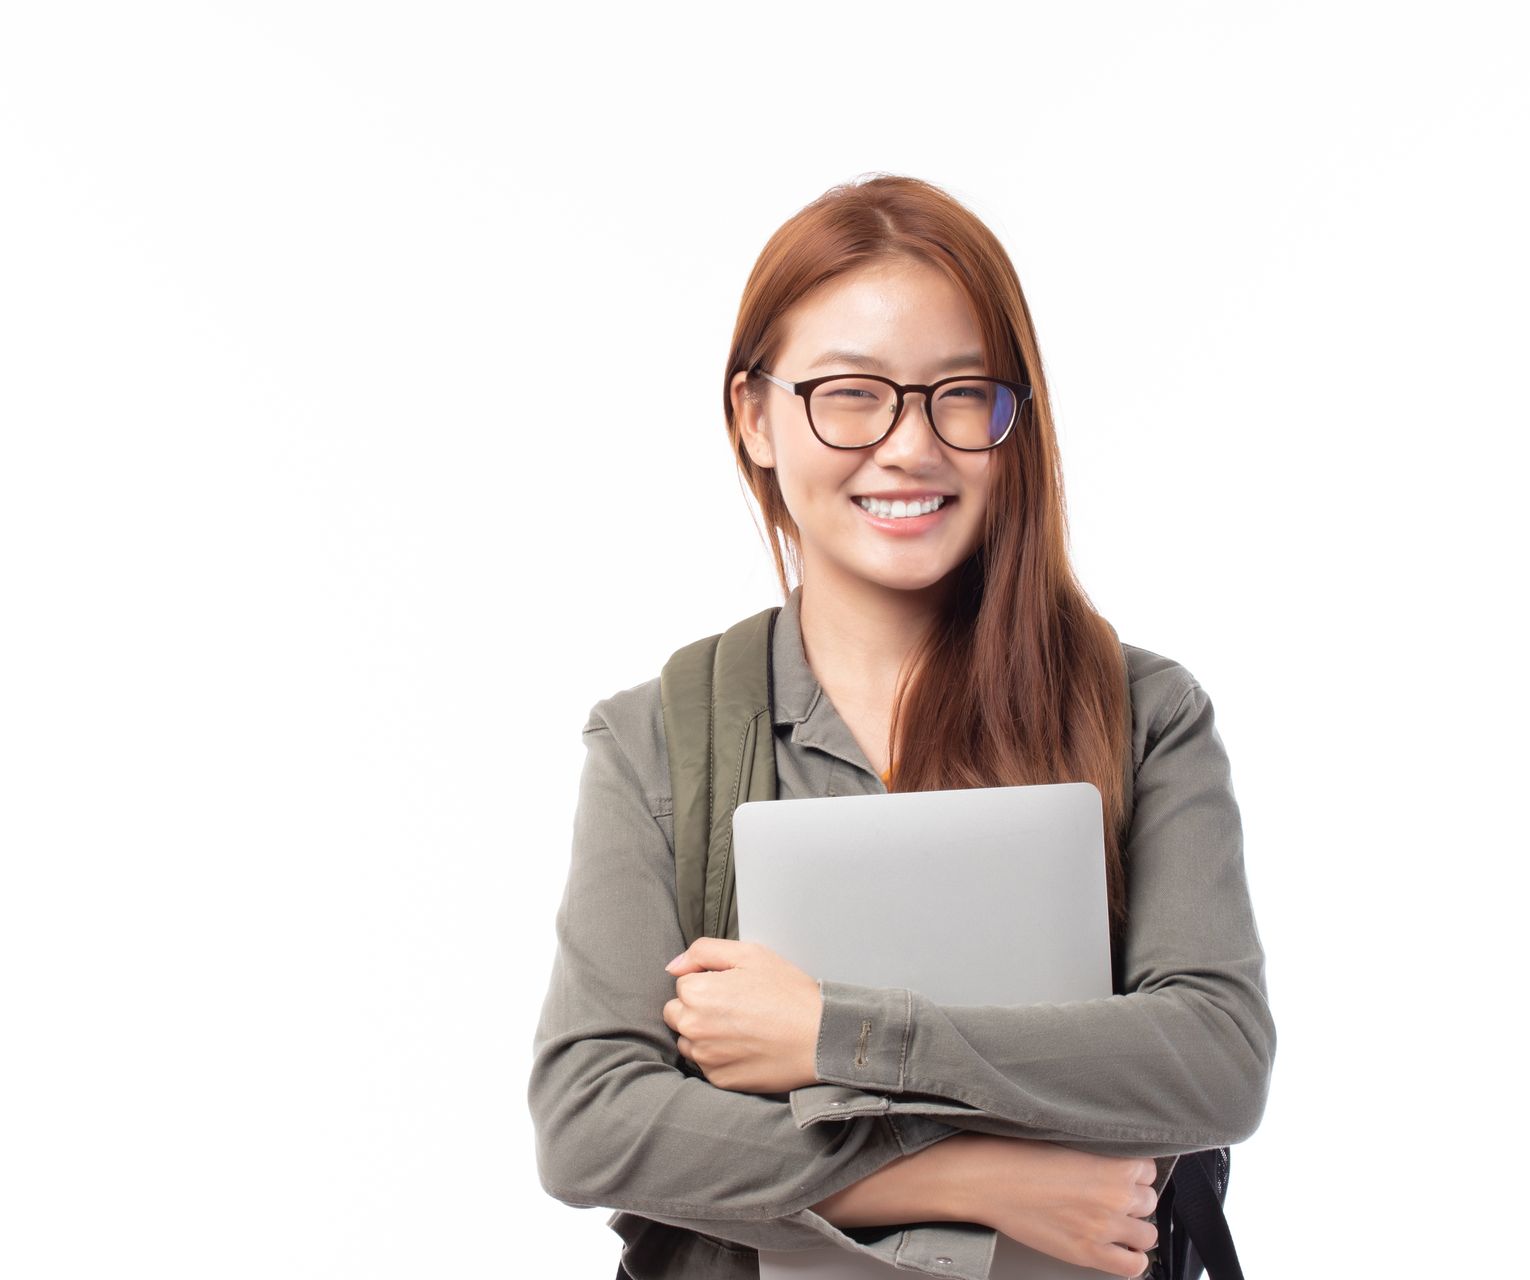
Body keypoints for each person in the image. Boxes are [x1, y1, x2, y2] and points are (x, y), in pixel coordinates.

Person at [526, 174, 1276, 1280]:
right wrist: (966, 1174)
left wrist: (835, 1031)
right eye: (850, 393)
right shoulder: (657, 740)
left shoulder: (1145, 713)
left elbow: (1215, 1058)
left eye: (959, 393)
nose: (910, 446)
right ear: (755, 415)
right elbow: (591, 1118)